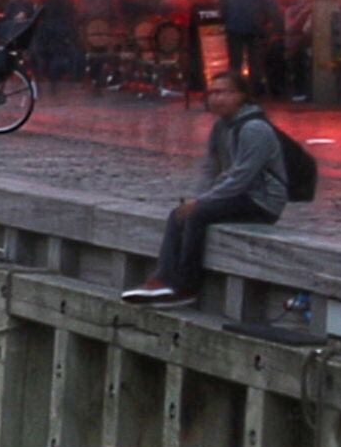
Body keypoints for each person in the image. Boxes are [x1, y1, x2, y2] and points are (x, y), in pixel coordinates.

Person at [127, 72, 312, 303]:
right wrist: (199, 196)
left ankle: (186, 286)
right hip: (239, 195)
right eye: (212, 92)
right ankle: (163, 278)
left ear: (242, 96)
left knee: (198, 215)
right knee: (179, 214)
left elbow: (241, 176)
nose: (216, 98)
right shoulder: (221, 127)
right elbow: (211, 168)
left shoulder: (254, 128)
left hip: (261, 201)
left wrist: (203, 202)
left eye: (224, 92)